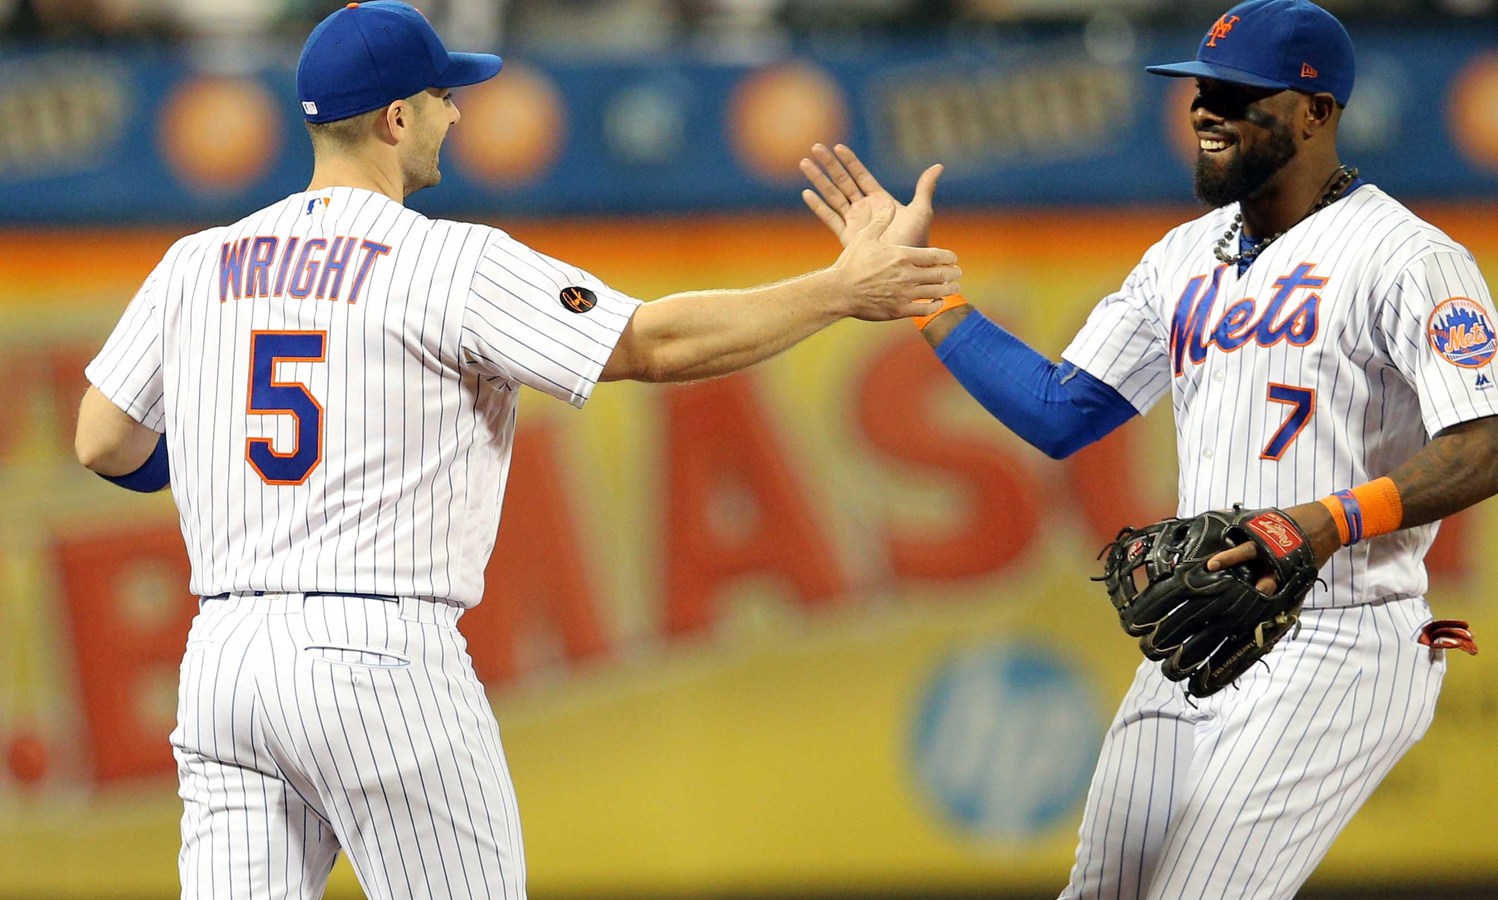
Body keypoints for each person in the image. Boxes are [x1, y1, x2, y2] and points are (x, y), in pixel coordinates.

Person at [71, 2, 959, 897]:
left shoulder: (198, 262)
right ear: (396, 117)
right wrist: (839, 291)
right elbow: (649, 345)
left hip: (225, 657)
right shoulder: (447, 262)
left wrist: (220, 457)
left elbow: (103, 438)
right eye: (444, 94)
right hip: (377, 652)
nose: (456, 112)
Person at [800, 0, 1498, 896]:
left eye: (1236, 93)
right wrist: (923, 293)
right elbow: (1059, 412)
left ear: (1316, 111)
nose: (1204, 110)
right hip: (1208, 633)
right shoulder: (1180, 259)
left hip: (1349, 636)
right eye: (1199, 90)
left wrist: (1328, 519)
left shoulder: (1407, 256)